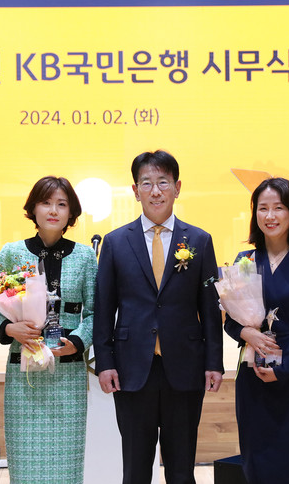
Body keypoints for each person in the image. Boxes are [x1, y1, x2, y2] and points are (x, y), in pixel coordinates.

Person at [93, 150, 223, 484]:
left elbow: (209, 309)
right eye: (147, 183)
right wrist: (105, 362)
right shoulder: (115, 242)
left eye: (163, 182)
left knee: (182, 470)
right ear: (135, 191)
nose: (155, 191)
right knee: (135, 470)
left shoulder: (199, 240)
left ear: (177, 188)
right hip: (132, 368)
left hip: (185, 366)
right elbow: (104, 309)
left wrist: (214, 362)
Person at [0, 176, 97, 484]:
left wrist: (78, 340)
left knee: (67, 467)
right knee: (25, 467)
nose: (53, 210)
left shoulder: (85, 256)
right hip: (23, 374)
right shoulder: (11, 253)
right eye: (46, 203)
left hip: (68, 374)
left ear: (71, 212)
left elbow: (95, 313)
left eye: (62, 204)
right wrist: (10, 328)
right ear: (33, 209)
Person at [223, 177, 289, 484]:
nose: (270, 216)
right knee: (256, 463)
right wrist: (246, 334)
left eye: (278, 208)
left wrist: (284, 367)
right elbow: (230, 320)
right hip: (253, 374)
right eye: (262, 208)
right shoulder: (245, 260)